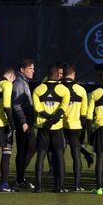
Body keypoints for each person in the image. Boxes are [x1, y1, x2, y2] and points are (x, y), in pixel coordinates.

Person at [32, 65, 70, 193]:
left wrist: (47, 119)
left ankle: (38, 187)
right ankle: (60, 187)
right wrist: (53, 120)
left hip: (43, 127)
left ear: (48, 74)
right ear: (57, 75)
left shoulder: (38, 89)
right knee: (59, 156)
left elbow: (38, 109)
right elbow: (63, 109)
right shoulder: (64, 89)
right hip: (57, 128)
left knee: (41, 156)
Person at [61, 64, 88, 191]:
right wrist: (82, 127)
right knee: (76, 156)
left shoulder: (58, 87)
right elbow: (84, 113)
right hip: (76, 127)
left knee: (59, 155)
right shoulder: (81, 89)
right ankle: (77, 185)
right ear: (73, 75)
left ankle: (59, 184)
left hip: (60, 126)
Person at [12, 59, 36, 189]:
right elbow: (16, 105)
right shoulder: (19, 83)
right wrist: (23, 122)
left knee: (29, 148)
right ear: (22, 70)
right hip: (23, 123)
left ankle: (20, 177)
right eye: (30, 68)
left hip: (27, 122)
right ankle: (20, 179)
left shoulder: (23, 82)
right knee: (24, 150)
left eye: (33, 68)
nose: (33, 71)